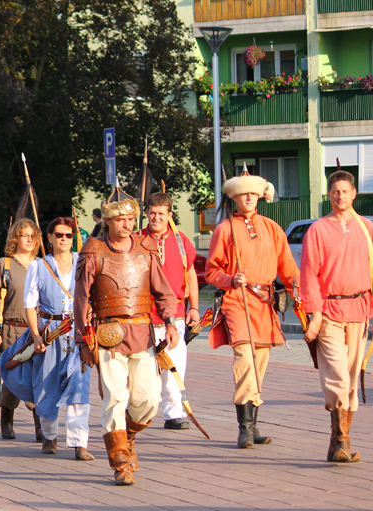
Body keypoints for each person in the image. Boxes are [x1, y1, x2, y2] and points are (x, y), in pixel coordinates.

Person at [76, 189, 180, 486]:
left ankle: (128, 434)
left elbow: (164, 291)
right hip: (107, 334)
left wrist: (170, 323)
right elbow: (81, 298)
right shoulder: (94, 251)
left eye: (131, 218)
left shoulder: (146, 249)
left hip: (143, 333)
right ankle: (121, 462)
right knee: (115, 398)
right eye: (121, 219)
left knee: (149, 399)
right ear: (108, 221)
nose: (127, 224)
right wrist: (83, 340)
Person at [206, 165, 299, 449]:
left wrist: (303, 298)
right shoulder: (224, 229)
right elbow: (211, 271)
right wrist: (229, 279)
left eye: (253, 193)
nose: (248, 197)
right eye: (243, 193)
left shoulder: (272, 227)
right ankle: (244, 428)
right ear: (234, 196)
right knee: (245, 361)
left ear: (260, 196)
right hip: (238, 299)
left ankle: (254, 425)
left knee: (259, 364)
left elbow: (289, 270)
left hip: (265, 303)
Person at [0, 217, 93, 461]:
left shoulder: (83, 262)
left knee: (79, 386)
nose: (64, 239)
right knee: (46, 385)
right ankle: (50, 437)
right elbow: (30, 305)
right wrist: (36, 335)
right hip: (50, 333)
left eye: (68, 235)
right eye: (59, 234)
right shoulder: (39, 266)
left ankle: (79, 443)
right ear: (50, 238)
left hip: (78, 333)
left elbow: (93, 296)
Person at [301, 170, 372, 463]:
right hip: (329, 311)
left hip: (359, 309)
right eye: (335, 191)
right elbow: (308, 274)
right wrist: (315, 314)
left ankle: (338, 442)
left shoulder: (367, 228)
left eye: (345, 191)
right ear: (328, 195)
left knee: (352, 376)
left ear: (354, 194)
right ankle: (341, 440)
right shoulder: (317, 230)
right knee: (338, 374)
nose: (340, 196)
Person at [140, 192, 199, 430]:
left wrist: (195, 307)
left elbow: (191, 274)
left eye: (161, 213)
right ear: (146, 213)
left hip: (176, 312)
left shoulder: (181, 240)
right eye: (152, 213)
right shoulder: (137, 239)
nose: (156, 217)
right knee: (144, 369)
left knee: (174, 365)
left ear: (170, 215)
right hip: (144, 314)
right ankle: (139, 413)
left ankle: (174, 414)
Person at [0, 219, 42, 440]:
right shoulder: (5, 264)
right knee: (13, 376)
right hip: (12, 329)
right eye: (24, 235)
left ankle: (40, 426)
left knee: (38, 376)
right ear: (15, 238)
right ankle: (7, 420)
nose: (29, 239)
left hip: (36, 331)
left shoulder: (42, 264)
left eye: (32, 235)